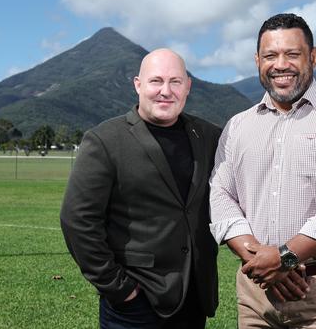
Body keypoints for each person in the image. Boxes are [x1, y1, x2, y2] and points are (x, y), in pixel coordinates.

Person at [209, 13, 316, 328]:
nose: (280, 64)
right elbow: (221, 195)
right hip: (256, 296)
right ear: (257, 60)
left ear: (312, 57)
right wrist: (261, 262)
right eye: (270, 55)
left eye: (292, 54)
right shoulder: (237, 126)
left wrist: (286, 258)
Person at [60, 48, 221, 328]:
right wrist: (119, 288)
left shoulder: (209, 135)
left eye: (175, 81)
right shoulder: (104, 140)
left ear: (188, 87)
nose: (165, 91)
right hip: (136, 303)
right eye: (156, 81)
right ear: (138, 85)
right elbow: (78, 220)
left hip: (195, 297)